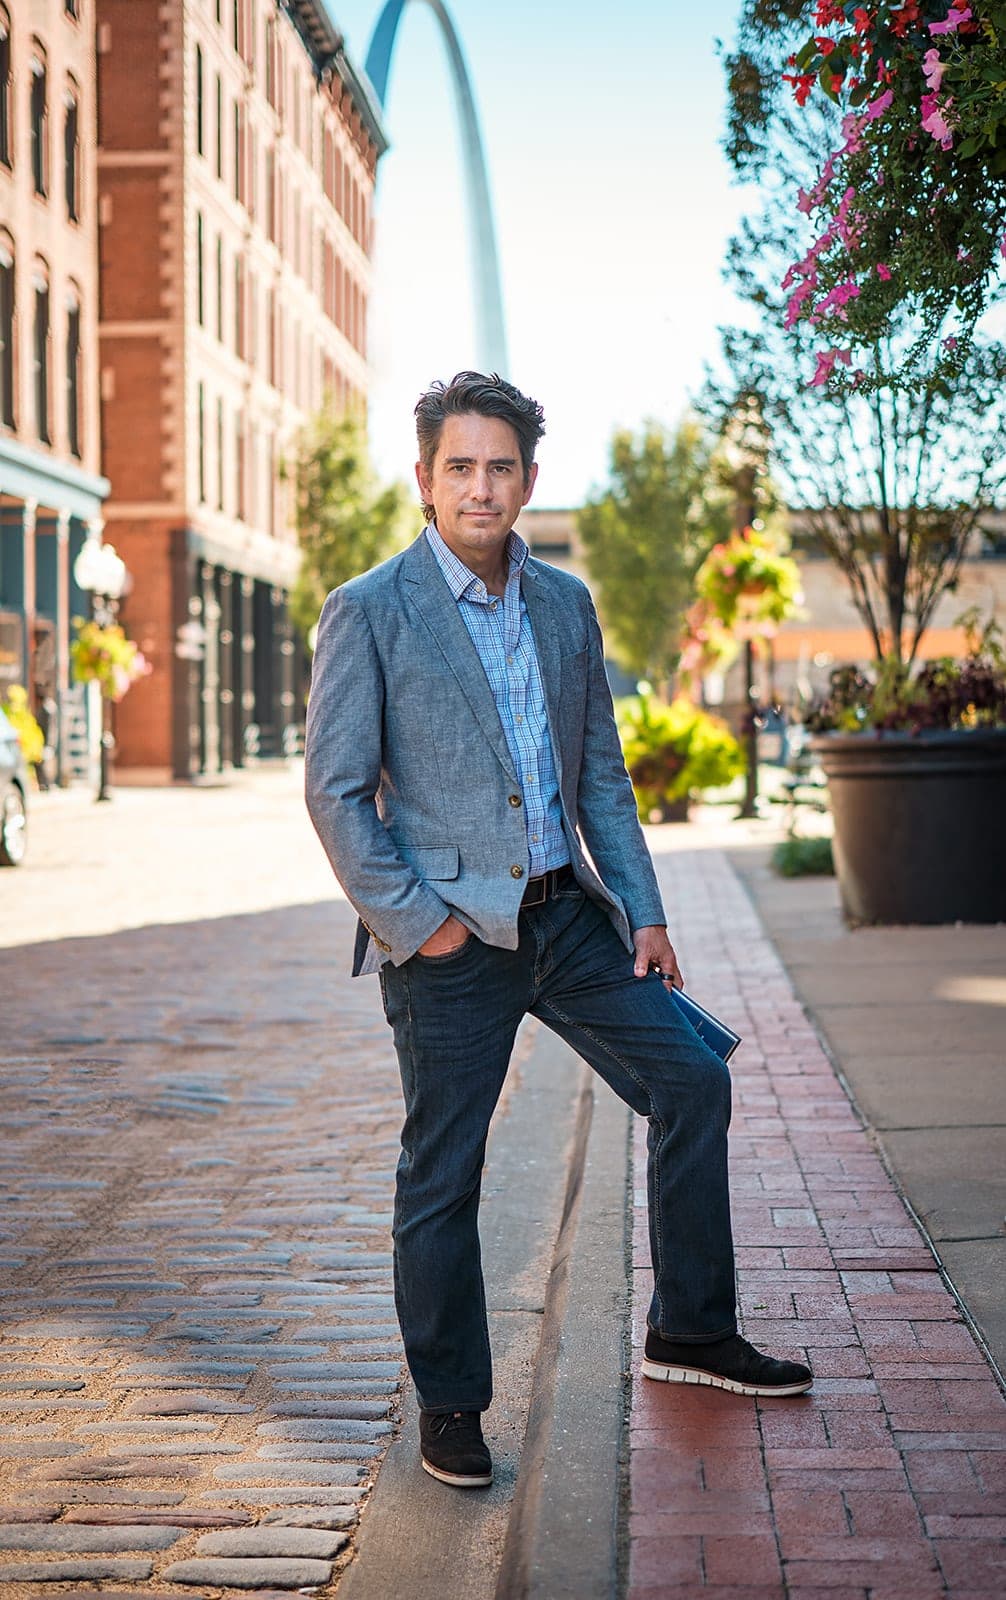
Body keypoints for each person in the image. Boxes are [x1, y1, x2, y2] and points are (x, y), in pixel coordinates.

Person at [305, 371, 812, 1491]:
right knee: (443, 1170)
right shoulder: (372, 608)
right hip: (451, 938)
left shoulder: (563, 604)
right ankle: (450, 1401)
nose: (480, 487)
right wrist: (419, 925)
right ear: (424, 479)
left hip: (567, 918)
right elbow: (336, 792)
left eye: (500, 467)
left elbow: (603, 781)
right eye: (459, 466)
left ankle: (689, 1328)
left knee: (693, 1080)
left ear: (529, 480)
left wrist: (645, 909)